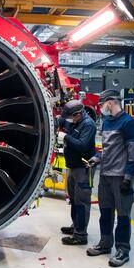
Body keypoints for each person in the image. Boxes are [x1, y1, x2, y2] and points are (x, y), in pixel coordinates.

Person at [86, 89, 134, 267]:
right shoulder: (107, 123)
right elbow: (107, 149)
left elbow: (133, 155)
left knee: (123, 215)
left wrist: (128, 178)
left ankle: (123, 250)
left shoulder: (129, 123)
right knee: (105, 213)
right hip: (105, 177)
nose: (101, 108)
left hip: (120, 177)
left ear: (110, 102)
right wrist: (96, 158)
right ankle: (105, 243)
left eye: (102, 105)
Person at [57, 100, 96, 245]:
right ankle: (76, 227)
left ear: (78, 114)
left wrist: (65, 137)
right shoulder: (73, 120)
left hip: (83, 168)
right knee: (73, 200)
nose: (68, 120)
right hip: (73, 166)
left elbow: (82, 146)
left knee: (82, 201)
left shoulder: (88, 125)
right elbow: (61, 121)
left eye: (70, 117)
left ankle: (81, 236)